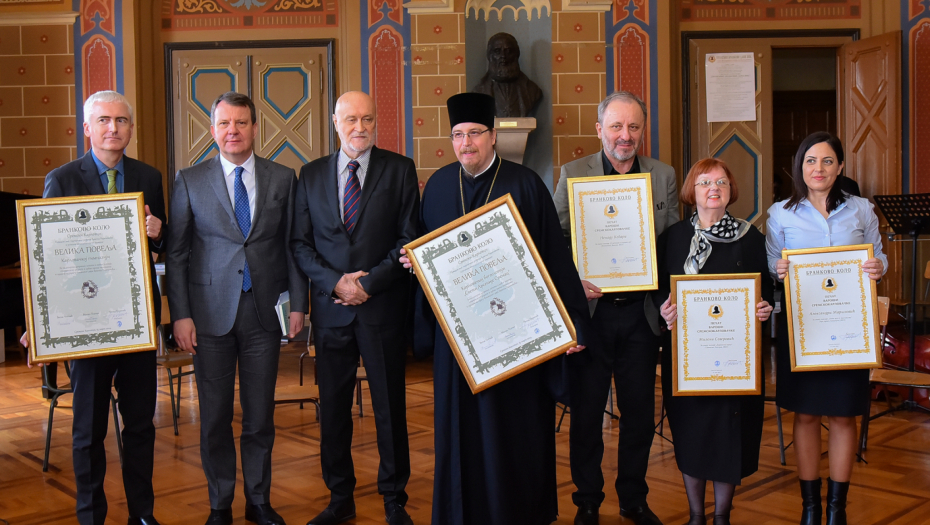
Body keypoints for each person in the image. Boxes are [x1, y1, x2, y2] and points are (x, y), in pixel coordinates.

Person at [400, 92, 589, 525]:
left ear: (493, 136)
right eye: (458, 135)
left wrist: (571, 324)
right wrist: (417, 264)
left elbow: (555, 259)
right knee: (460, 434)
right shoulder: (440, 186)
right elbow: (426, 254)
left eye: (474, 134)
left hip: (518, 335)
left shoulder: (525, 184)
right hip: (461, 339)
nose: (466, 143)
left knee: (516, 431)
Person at [166, 91, 308, 525]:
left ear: (254, 128)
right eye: (225, 124)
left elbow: (292, 247)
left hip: (264, 313)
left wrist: (299, 306)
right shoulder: (190, 179)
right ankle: (219, 504)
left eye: (241, 123)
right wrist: (181, 314)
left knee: (260, 416)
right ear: (212, 130)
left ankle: (259, 501)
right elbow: (177, 253)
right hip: (207, 316)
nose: (233, 131)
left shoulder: (283, 178)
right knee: (214, 416)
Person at [25, 90, 165, 525]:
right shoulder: (62, 178)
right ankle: (91, 516)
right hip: (85, 325)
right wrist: (39, 319)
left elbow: (165, 248)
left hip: (136, 322)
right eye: (103, 120)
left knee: (141, 425)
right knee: (88, 430)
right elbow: (44, 255)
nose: (113, 128)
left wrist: (158, 232)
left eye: (122, 121)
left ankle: (142, 514)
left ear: (130, 128)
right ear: (87, 128)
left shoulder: (149, 176)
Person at [290, 91, 419, 525]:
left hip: (381, 307)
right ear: (334, 121)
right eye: (350, 119)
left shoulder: (399, 170)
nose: (359, 127)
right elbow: (301, 245)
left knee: (389, 408)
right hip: (331, 312)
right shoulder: (308, 175)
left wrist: (369, 283)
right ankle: (339, 497)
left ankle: (394, 499)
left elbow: (408, 238)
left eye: (367, 118)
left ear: (376, 120)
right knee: (334, 410)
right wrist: (336, 284)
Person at [552, 91, 679, 525]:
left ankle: (634, 498)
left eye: (634, 127)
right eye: (617, 126)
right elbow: (556, 241)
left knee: (639, 412)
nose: (626, 136)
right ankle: (587, 500)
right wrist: (573, 284)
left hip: (642, 315)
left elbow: (671, 245)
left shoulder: (663, 176)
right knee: (586, 413)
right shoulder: (573, 174)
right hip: (592, 314)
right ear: (599, 129)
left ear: (643, 130)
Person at [765, 131, 886, 525]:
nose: (819, 168)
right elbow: (771, 267)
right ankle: (810, 507)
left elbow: (878, 258)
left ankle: (837, 509)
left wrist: (877, 267)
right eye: (811, 161)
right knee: (804, 414)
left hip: (850, 329)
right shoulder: (780, 213)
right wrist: (778, 270)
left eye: (828, 160)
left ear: (840, 167)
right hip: (802, 330)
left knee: (842, 416)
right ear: (801, 167)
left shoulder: (861, 210)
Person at [655, 158, 774, 525]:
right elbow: (659, 293)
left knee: (728, 432)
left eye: (721, 182)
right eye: (705, 181)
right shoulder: (673, 239)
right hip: (689, 362)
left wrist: (764, 309)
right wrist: (665, 313)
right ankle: (695, 515)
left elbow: (765, 291)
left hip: (736, 362)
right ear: (693, 190)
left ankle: (721, 515)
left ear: (730, 190)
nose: (713, 188)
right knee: (691, 431)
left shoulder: (751, 237)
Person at [472, 32, 543, 118]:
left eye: (508, 51)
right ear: (490, 56)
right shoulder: (479, 91)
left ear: (516, 55)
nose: (503, 56)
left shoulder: (532, 90)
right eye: (497, 51)